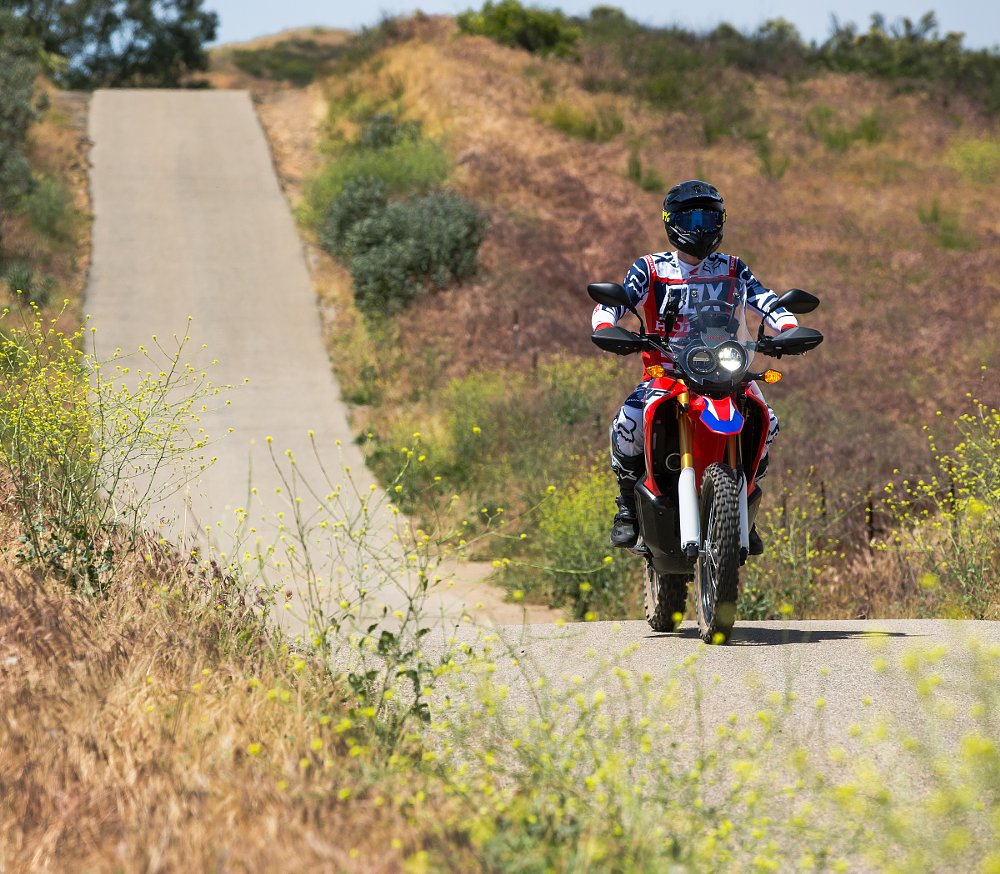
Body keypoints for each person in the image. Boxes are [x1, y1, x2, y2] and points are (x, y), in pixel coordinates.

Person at [591, 179, 799, 551]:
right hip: (668, 372)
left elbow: (766, 300)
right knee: (627, 422)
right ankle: (627, 507)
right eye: (691, 220)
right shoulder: (651, 268)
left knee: (768, 421)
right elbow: (615, 302)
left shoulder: (734, 267)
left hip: (728, 370)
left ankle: (745, 505)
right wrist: (606, 326)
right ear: (672, 222)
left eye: (709, 219)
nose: (700, 229)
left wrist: (787, 327)